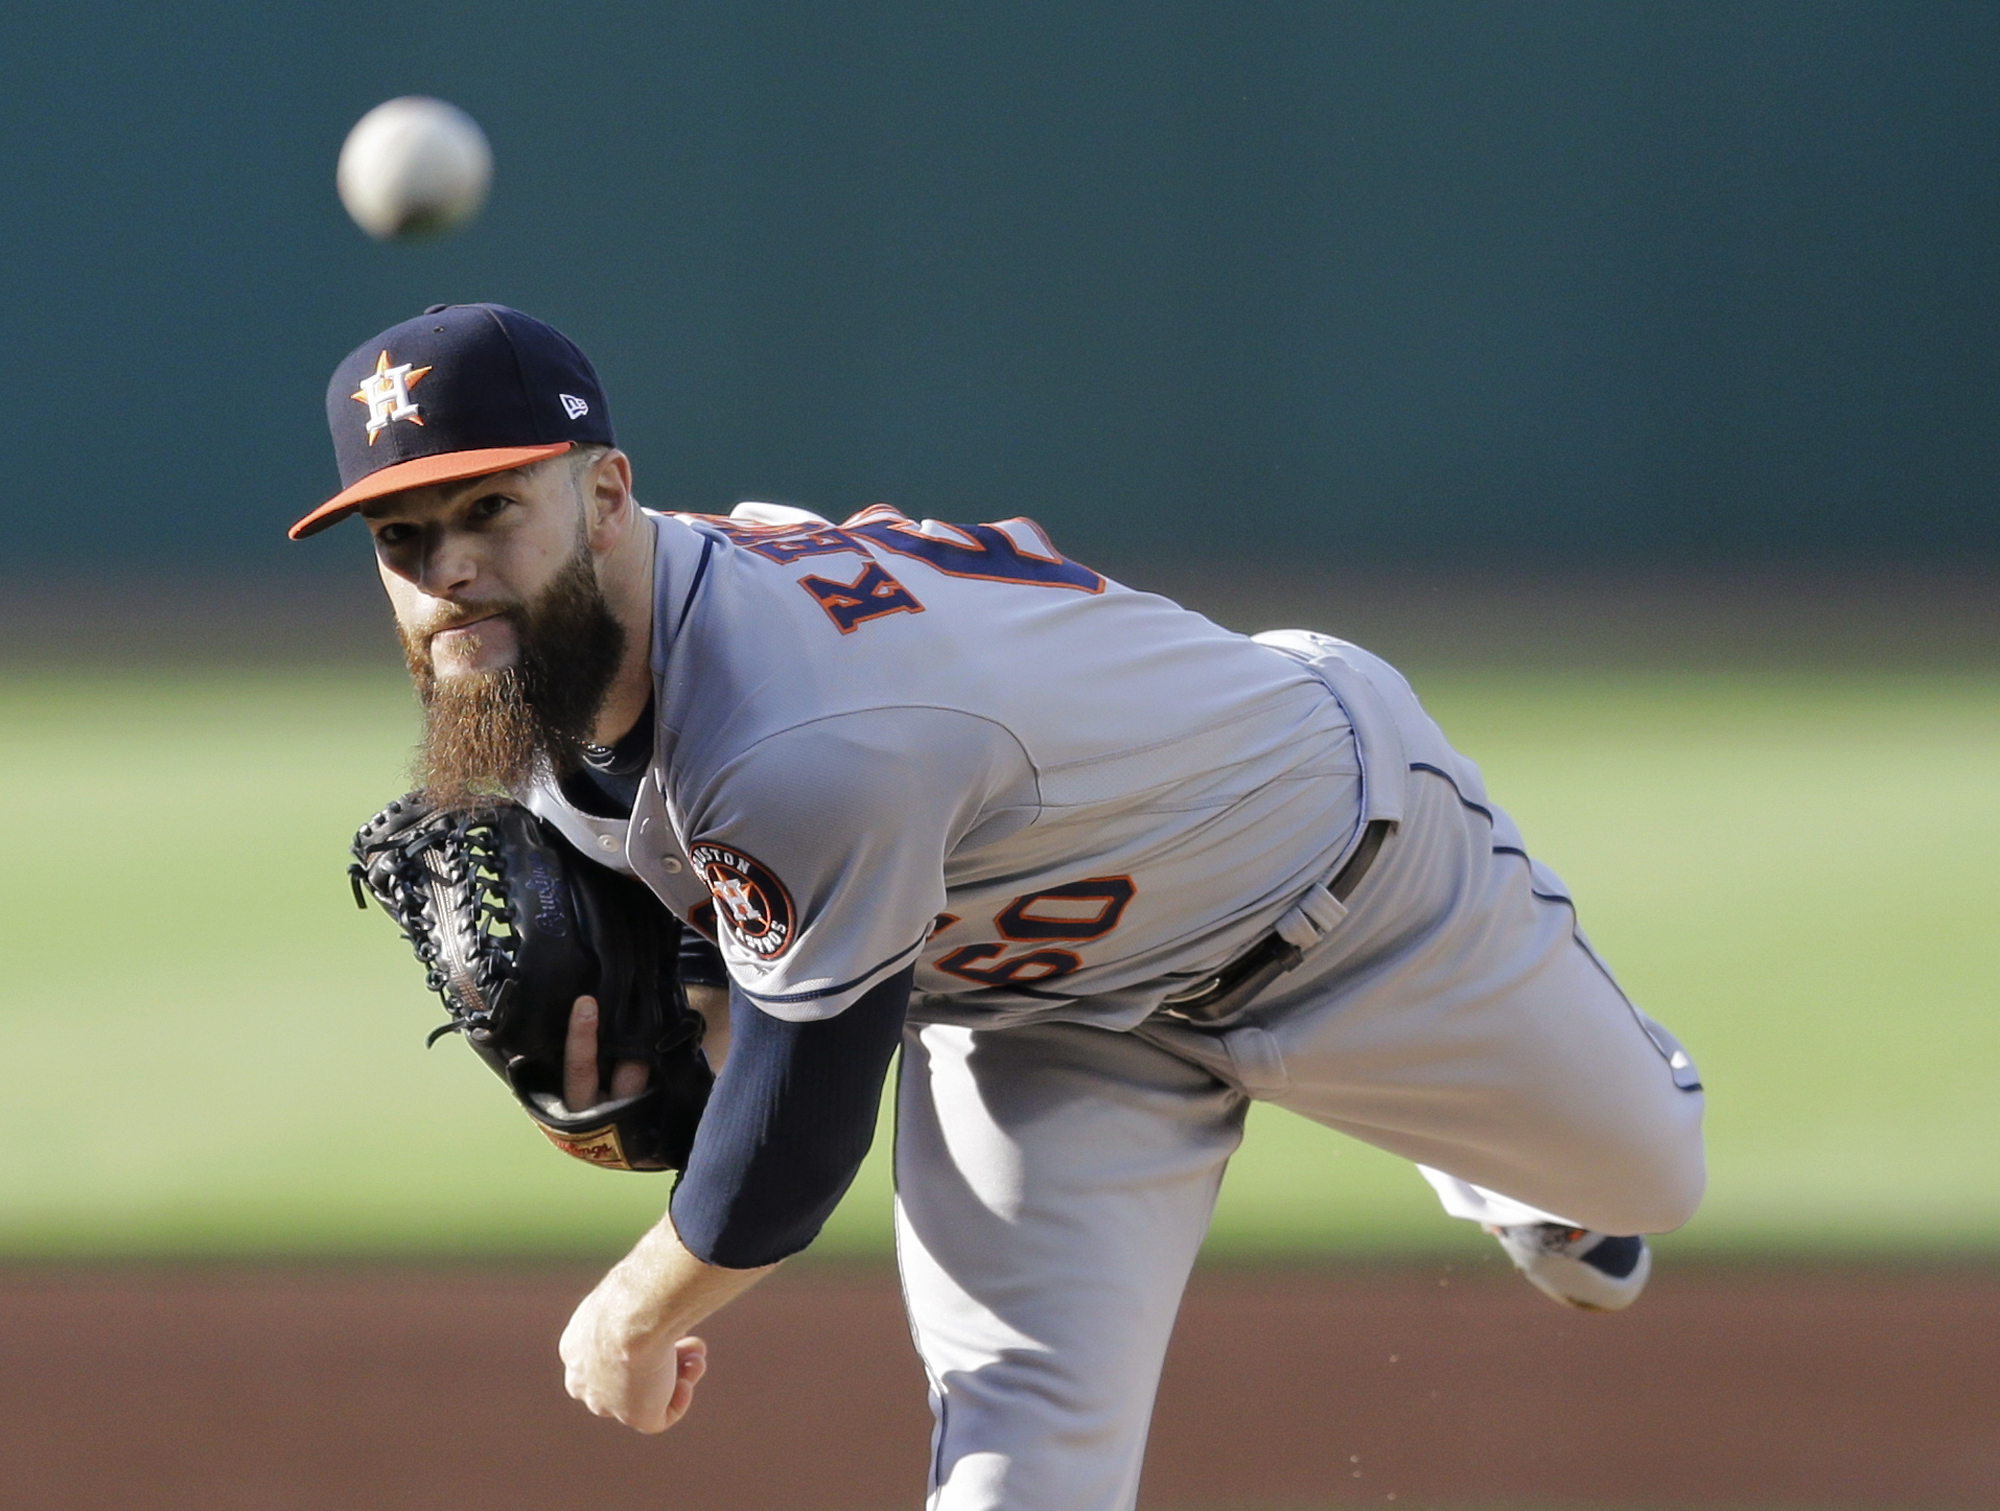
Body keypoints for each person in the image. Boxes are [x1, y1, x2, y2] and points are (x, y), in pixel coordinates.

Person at [294, 303, 1705, 1511]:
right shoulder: (547, 680)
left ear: (608, 496)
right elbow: (723, 954)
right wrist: (644, 1074)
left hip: (1351, 884)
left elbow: (795, 1144)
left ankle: (1511, 1169)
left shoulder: (795, 733)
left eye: (491, 509)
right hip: (1038, 1018)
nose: (450, 570)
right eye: (405, 539)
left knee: (1645, 1187)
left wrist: (633, 1308)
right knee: (1019, 1473)